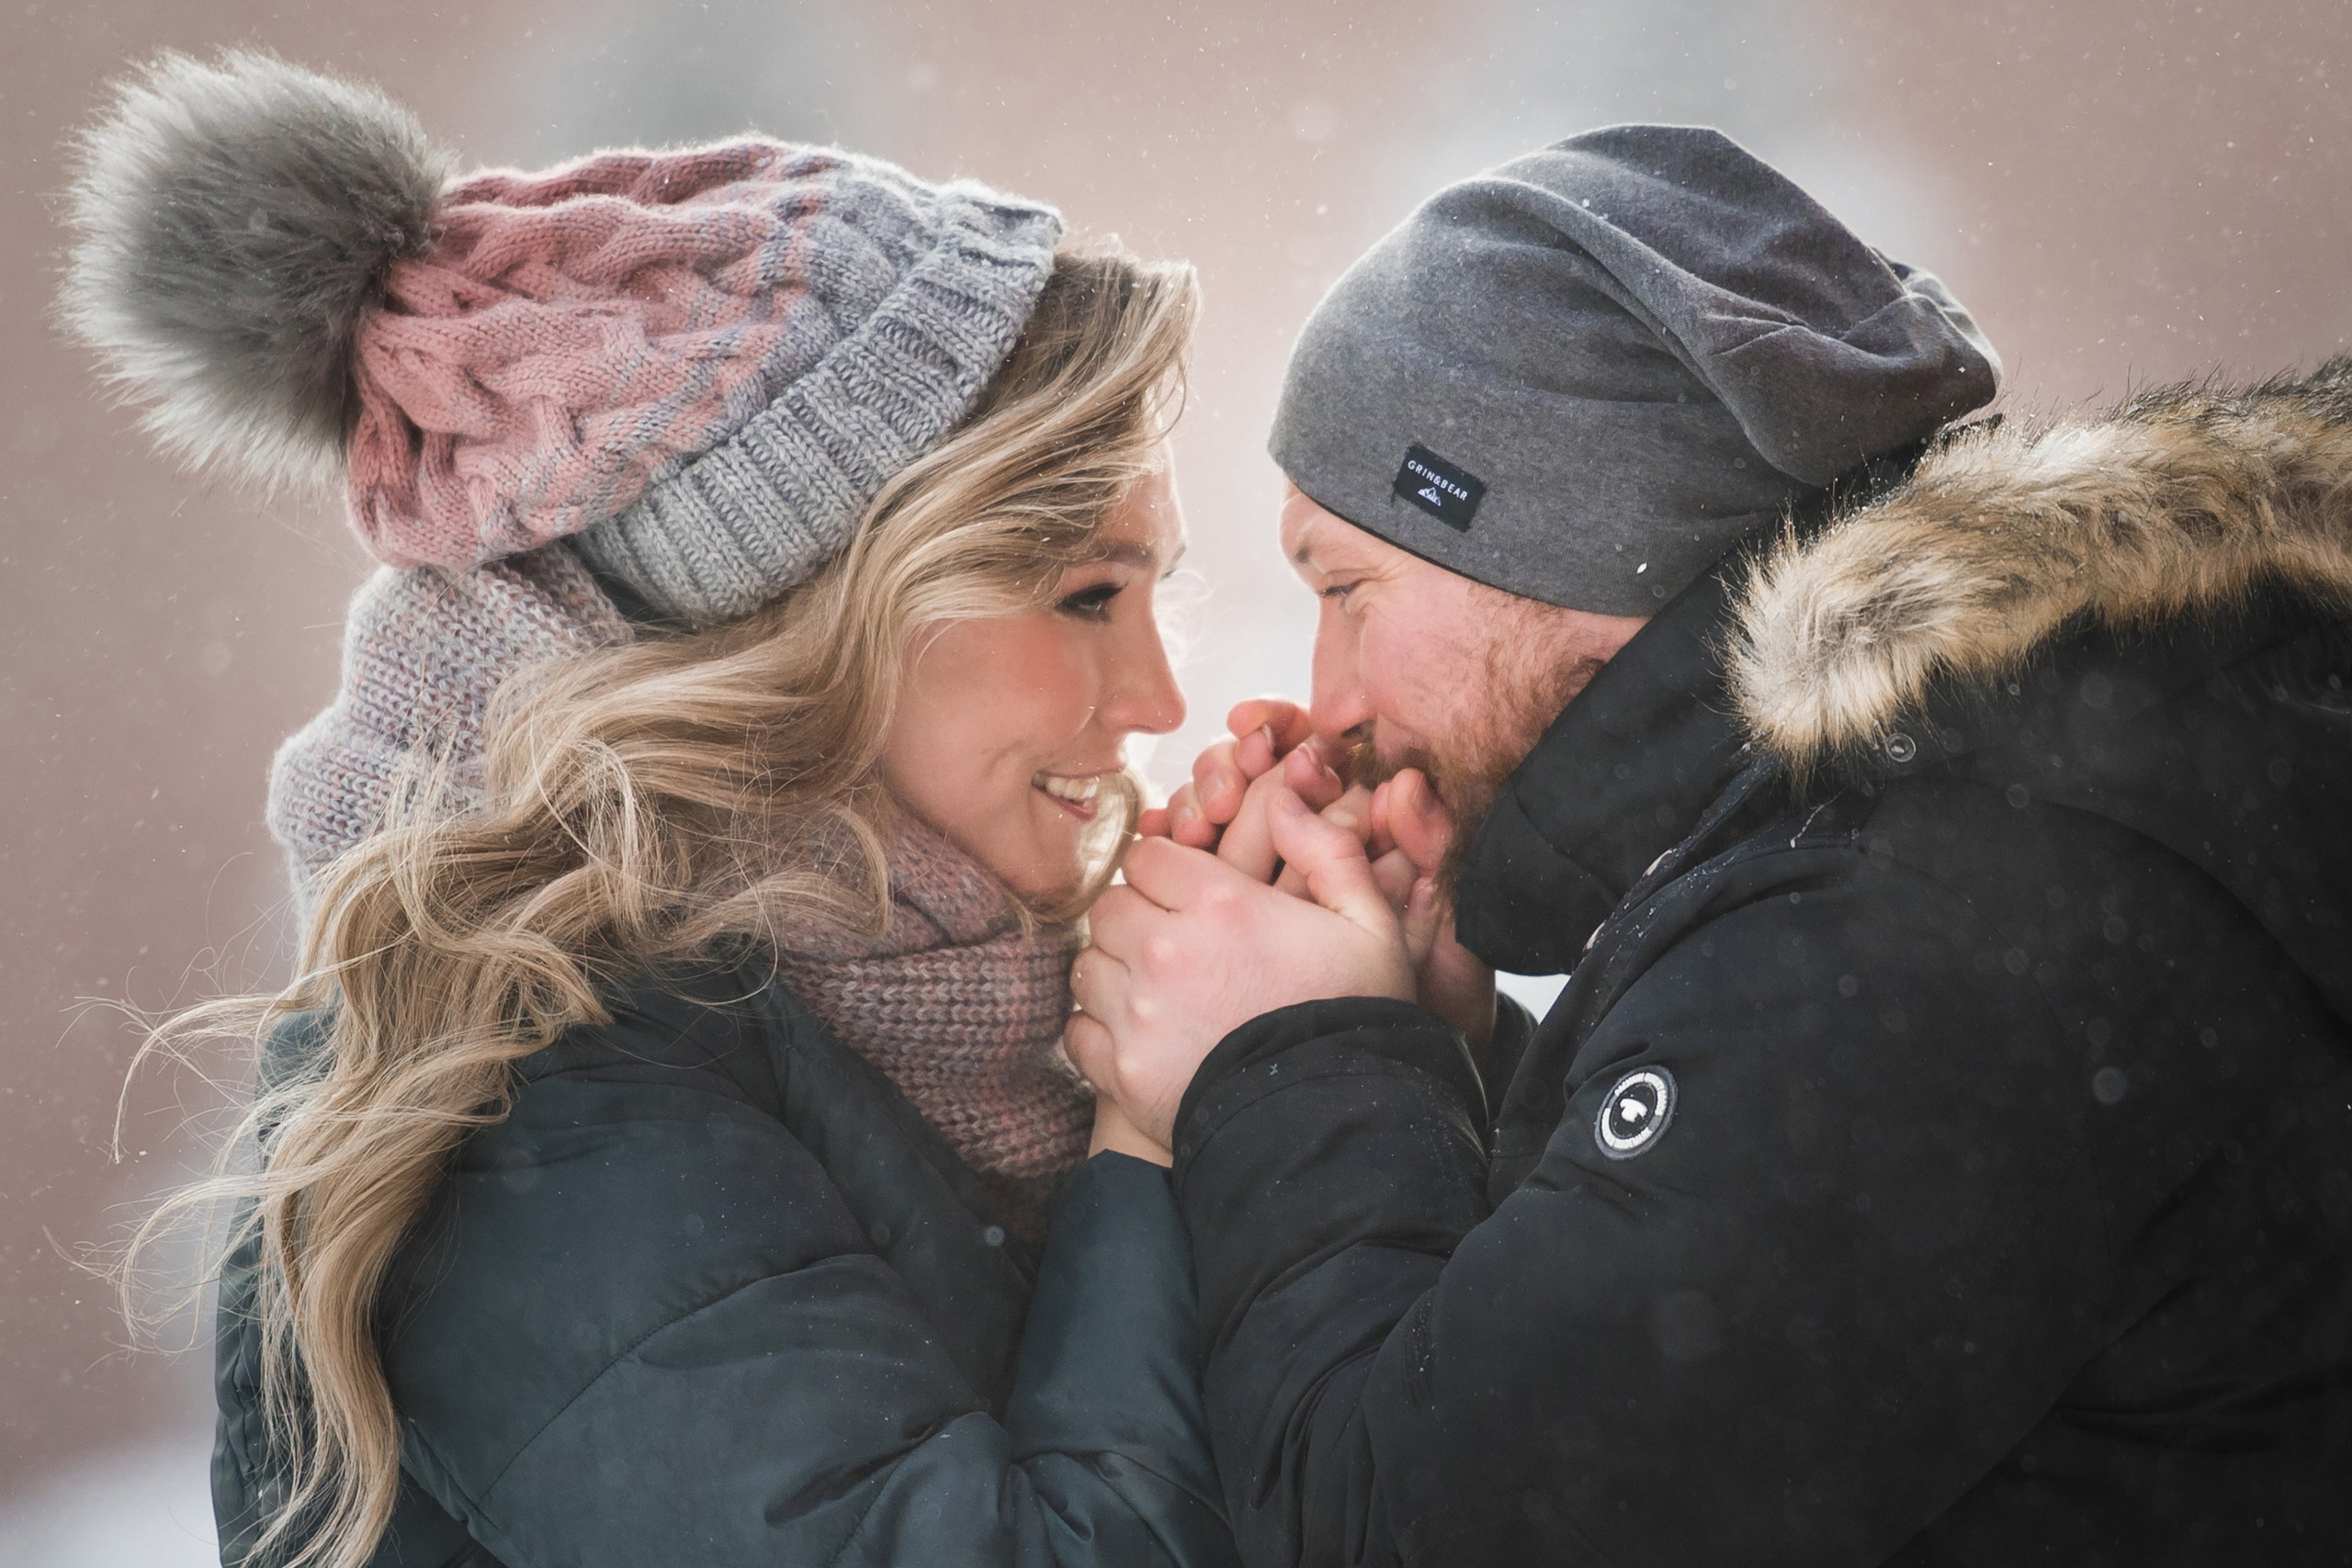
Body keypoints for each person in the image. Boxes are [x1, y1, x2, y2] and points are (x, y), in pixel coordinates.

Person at [1068, 124, 2352, 1565]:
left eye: (1351, 586)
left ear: (1562, 547)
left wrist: (1296, 1066)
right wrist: (1415, 1054)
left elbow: (1432, 1530)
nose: (1329, 699)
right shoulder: (1927, 823)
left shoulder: (1909, 926)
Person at [64, 52, 1239, 1568]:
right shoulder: (535, 1096)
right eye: (1083, 594)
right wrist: (1155, 1137)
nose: (1156, 698)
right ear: (799, 617)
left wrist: (1359, 1064)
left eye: (1158, 595)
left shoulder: (945, 1004)